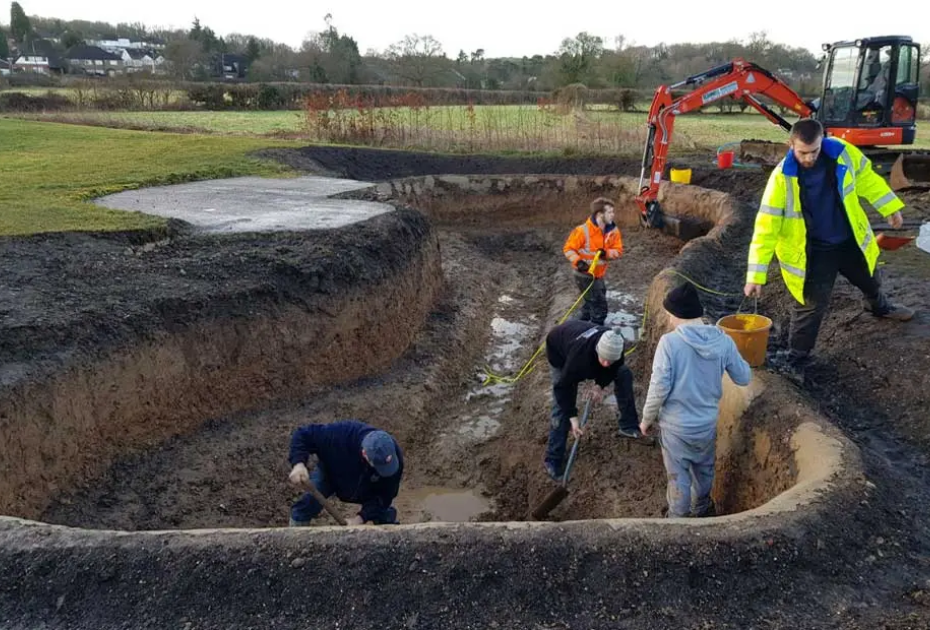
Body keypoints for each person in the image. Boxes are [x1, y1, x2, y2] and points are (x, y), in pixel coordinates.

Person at [744, 118, 914, 381]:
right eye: (803, 152)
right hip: (814, 251)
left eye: (814, 151)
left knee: (869, 277)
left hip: (848, 239)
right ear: (791, 146)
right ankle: (796, 358)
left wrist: (890, 207)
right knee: (811, 304)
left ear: (822, 141)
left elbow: (866, 177)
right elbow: (766, 228)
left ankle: (879, 307)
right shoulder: (781, 178)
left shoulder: (842, 153)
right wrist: (755, 275)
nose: (810, 158)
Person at [639, 282, 752, 518]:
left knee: (678, 475)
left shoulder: (669, 343)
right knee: (703, 469)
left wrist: (647, 419)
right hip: (705, 425)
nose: (669, 320)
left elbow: (659, 387)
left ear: (678, 315)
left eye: (670, 315)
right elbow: (743, 377)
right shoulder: (723, 341)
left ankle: (678, 519)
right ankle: (701, 508)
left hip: (675, 428)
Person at [543, 319, 649, 481]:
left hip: (581, 338)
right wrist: (573, 417)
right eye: (603, 359)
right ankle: (553, 459)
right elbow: (562, 388)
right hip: (558, 348)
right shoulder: (579, 359)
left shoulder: (616, 350)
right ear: (597, 350)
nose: (606, 363)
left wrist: (599, 385)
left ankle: (628, 425)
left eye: (610, 360)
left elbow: (611, 369)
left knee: (624, 373)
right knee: (561, 404)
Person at [287, 420, 403, 526]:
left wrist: (360, 519)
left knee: (383, 511)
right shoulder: (339, 435)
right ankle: (294, 543)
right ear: (364, 454)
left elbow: (385, 496)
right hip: (332, 476)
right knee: (306, 506)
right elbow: (302, 435)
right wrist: (298, 464)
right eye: (378, 466)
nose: (385, 468)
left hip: (371, 486)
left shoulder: (394, 460)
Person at [563, 197, 625, 326]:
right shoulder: (582, 231)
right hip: (583, 274)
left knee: (592, 300)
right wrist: (578, 262)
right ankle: (595, 331)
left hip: (598, 274)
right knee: (600, 307)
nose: (612, 215)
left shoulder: (613, 232)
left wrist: (606, 254)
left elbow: (618, 251)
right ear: (599, 214)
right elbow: (568, 249)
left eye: (613, 212)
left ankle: (580, 325)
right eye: (609, 212)